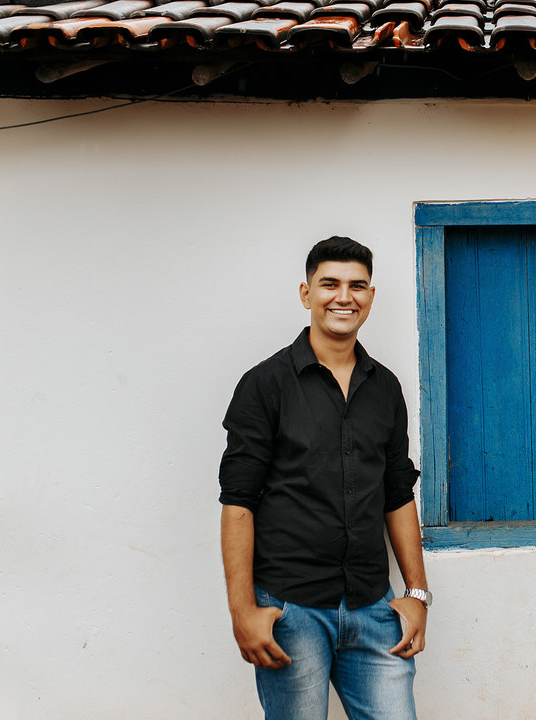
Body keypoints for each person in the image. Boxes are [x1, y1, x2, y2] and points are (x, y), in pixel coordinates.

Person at [218, 236, 430, 720]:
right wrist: (242, 612)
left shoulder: (385, 387)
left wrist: (416, 595)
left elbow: (398, 493)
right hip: (291, 611)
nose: (344, 296)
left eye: (357, 285)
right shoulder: (264, 385)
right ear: (305, 293)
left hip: (374, 608)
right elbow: (238, 502)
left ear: (371, 297)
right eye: (329, 283)